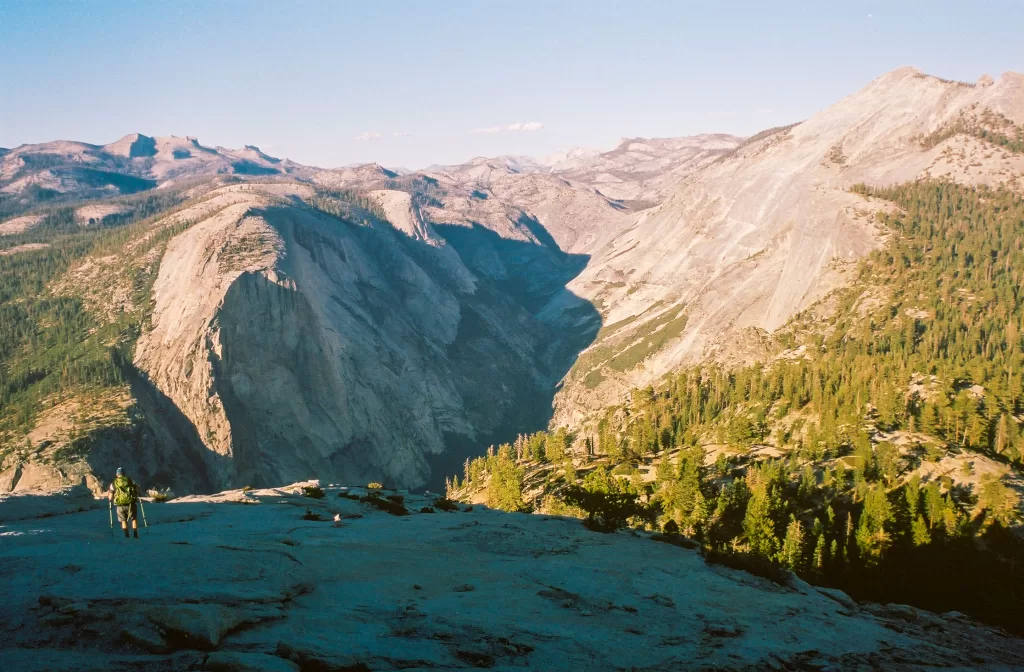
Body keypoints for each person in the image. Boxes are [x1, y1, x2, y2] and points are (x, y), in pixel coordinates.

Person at [109, 467, 140, 539]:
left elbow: (110, 496)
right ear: (124, 474)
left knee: (123, 520)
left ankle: (127, 535)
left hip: (120, 505)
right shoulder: (130, 480)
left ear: (117, 474)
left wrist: (110, 500)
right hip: (131, 503)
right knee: (134, 518)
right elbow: (136, 490)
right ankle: (135, 534)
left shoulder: (113, 483)